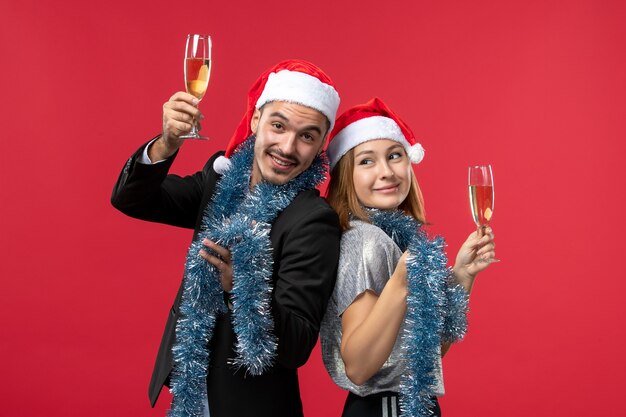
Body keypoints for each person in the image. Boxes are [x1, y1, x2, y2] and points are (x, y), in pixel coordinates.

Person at [111, 60, 342, 417]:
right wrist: (167, 144)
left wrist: (243, 283)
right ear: (255, 121)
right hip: (190, 392)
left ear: (320, 145)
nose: (287, 147)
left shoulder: (314, 221)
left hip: (250, 406)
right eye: (278, 126)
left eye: (307, 136)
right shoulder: (220, 181)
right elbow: (132, 199)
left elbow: (297, 345)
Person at [319, 98, 497, 417]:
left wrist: (462, 276)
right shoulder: (366, 241)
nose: (386, 172)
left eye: (394, 156)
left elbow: (423, 355)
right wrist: (402, 283)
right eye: (366, 161)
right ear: (346, 175)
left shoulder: (395, 237)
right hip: (386, 409)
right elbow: (359, 366)